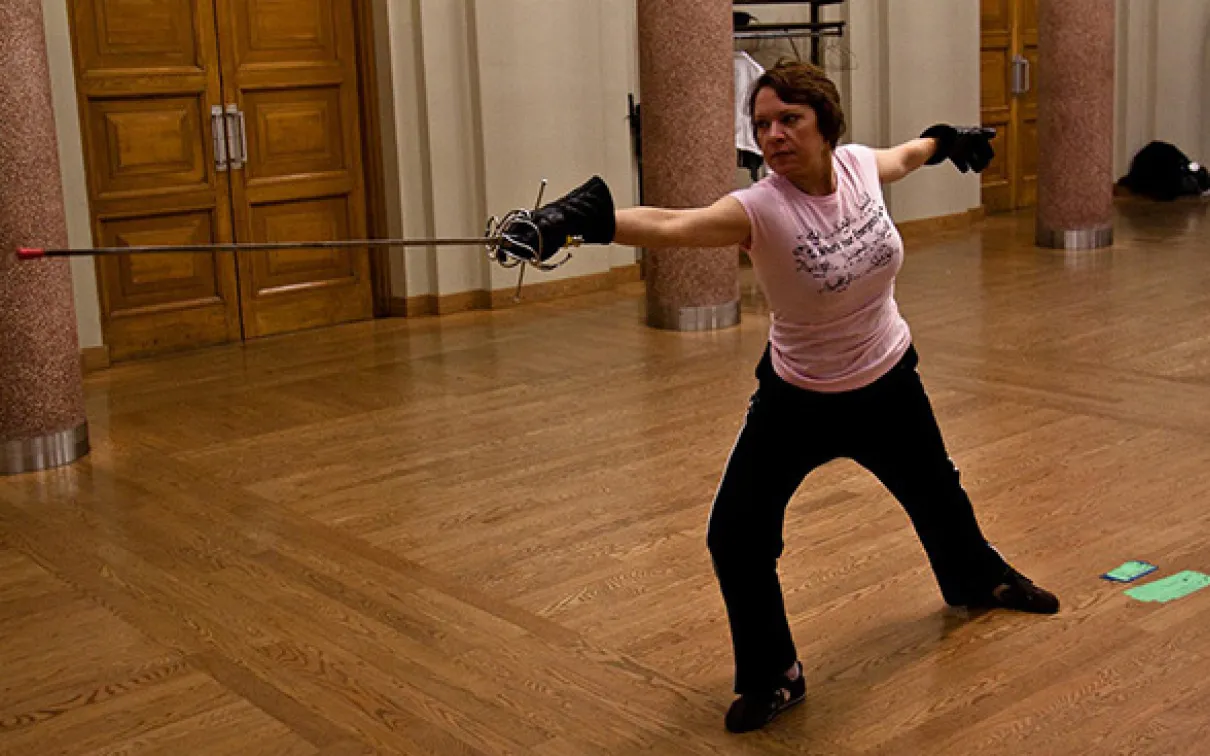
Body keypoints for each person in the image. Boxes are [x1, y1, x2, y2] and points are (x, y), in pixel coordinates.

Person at [499, 60, 1060, 735]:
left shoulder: (855, 166)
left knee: (938, 490)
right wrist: (579, 225)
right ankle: (774, 676)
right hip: (799, 398)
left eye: (788, 120)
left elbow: (907, 156)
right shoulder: (759, 208)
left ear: (826, 125)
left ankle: (977, 580)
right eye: (762, 124)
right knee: (735, 535)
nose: (773, 135)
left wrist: (947, 141)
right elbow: (675, 225)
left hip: (888, 376)